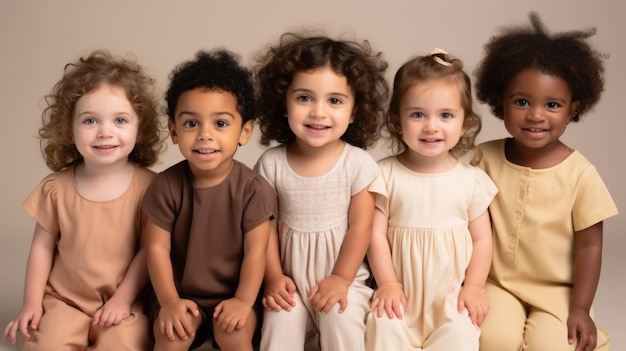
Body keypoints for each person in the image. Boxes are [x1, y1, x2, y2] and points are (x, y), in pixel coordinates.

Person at [474, 12, 619, 351]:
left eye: (552, 104)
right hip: (497, 283)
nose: (536, 115)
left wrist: (581, 307)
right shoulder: (481, 159)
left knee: (551, 347)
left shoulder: (580, 174)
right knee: (492, 341)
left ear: (572, 110)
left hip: (558, 290)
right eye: (521, 101)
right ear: (500, 103)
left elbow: (590, 245)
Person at [2, 50, 164, 350]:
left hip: (126, 301)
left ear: (140, 128)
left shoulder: (151, 188)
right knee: (42, 344)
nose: (105, 132)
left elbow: (148, 251)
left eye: (120, 120)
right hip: (64, 301)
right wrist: (31, 303)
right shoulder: (56, 188)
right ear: (69, 129)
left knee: (124, 343)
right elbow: (41, 248)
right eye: (90, 120)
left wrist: (122, 299)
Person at [253, 33, 389, 351]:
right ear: (283, 104)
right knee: (279, 326)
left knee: (341, 323)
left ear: (355, 111)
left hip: (344, 277)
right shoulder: (271, 164)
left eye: (335, 101)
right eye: (304, 98)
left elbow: (361, 227)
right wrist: (273, 277)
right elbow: (265, 228)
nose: (318, 112)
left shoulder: (357, 164)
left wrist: (340, 279)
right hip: (288, 280)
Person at [142, 49, 277, 351]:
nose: (205, 135)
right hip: (177, 294)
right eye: (191, 124)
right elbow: (156, 248)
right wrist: (170, 302)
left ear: (244, 132)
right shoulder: (165, 185)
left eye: (220, 124)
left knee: (233, 332)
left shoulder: (253, 189)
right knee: (173, 333)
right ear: (174, 131)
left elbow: (257, 251)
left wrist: (243, 301)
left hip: (235, 294)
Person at [364, 49, 497, 351]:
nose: (431, 126)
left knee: (461, 337)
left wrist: (474, 287)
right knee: (382, 329)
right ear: (398, 123)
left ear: (464, 124)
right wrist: (387, 284)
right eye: (418, 115)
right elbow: (375, 235)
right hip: (399, 297)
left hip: (451, 300)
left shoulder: (471, 180)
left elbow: (482, 241)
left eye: (446, 115)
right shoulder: (384, 174)